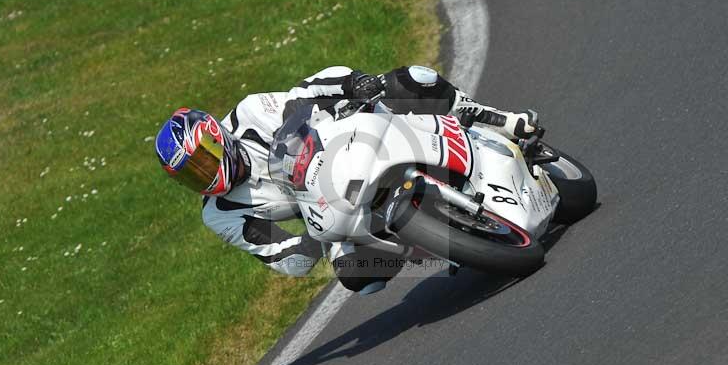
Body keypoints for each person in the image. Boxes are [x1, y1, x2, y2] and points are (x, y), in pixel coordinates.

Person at [154, 66, 541, 293]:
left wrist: (354, 85)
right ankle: (436, 251)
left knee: (409, 80)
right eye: (191, 176)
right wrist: (310, 244)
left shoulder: (250, 113)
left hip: (347, 145)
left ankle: (502, 120)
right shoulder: (219, 213)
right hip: (328, 209)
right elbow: (280, 254)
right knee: (356, 276)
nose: (203, 175)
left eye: (203, 160)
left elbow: (305, 94)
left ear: (214, 135)